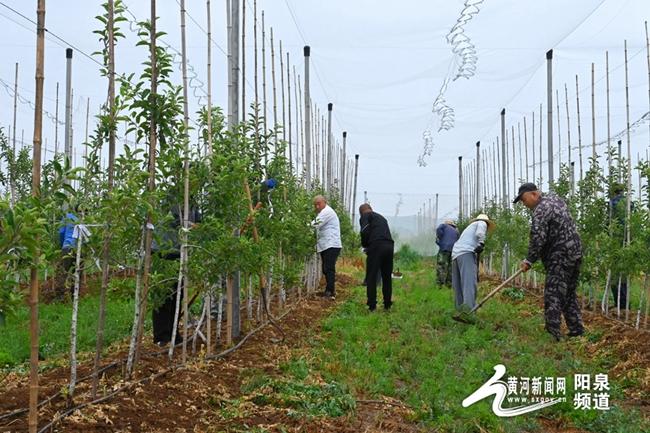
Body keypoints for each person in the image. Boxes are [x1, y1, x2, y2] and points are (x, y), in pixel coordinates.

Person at [515, 182, 585, 341]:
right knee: (568, 293)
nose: (524, 204)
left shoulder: (540, 210)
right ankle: (576, 330)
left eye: (524, 200)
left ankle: (553, 334)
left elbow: (538, 238)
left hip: (560, 256)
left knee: (553, 293)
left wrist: (529, 260)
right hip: (576, 252)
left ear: (534, 194)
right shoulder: (556, 200)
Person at [152, 201, 201, 346]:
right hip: (164, 250)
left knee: (177, 294)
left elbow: (198, 219)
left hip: (179, 250)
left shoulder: (192, 199)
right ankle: (162, 336)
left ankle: (173, 333)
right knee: (164, 296)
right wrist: (193, 226)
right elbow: (175, 221)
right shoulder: (174, 196)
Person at [451, 214, 494, 312]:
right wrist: (481, 243)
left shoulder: (469, 228)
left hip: (455, 254)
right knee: (468, 283)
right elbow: (480, 233)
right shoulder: (482, 223)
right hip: (466, 253)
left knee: (458, 285)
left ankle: (459, 310)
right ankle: (468, 312)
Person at [359, 204, 394, 311]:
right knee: (387, 277)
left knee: (371, 277)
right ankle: (387, 304)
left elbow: (364, 231)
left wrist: (365, 246)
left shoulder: (365, 216)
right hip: (389, 246)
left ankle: (372, 305)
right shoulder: (381, 217)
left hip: (377, 246)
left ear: (361, 212)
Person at [311, 195, 342, 299]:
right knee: (326, 268)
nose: (317, 206)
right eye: (315, 204)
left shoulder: (327, 212)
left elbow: (315, 224)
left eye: (318, 204)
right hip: (327, 244)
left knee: (328, 268)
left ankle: (330, 292)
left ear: (324, 202)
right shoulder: (323, 212)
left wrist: (301, 228)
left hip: (331, 244)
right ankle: (329, 290)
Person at [608, 184, 628, 311]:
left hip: (615, 239)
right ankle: (625, 304)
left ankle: (619, 304)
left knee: (615, 273)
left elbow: (608, 222)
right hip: (627, 241)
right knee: (624, 272)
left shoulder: (612, 203)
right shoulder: (629, 203)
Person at [57, 207, 78, 299]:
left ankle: (61, 296)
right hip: (79, 249)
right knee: (76, 272)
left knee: (64, 271)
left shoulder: (67, 217)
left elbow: (61, 232)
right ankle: (75, 295)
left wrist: (62, 244)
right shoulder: (82, 220)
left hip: (67, 247)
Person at [436, 219, 460, 287]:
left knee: (441, 266)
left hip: (444, 249)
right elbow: (458, 239)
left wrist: (440, 238)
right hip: (454, 250)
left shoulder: (444, 226)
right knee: (451, 268)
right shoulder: (456, 230)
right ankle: (449, 284)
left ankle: (440, 284)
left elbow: (438, 229)